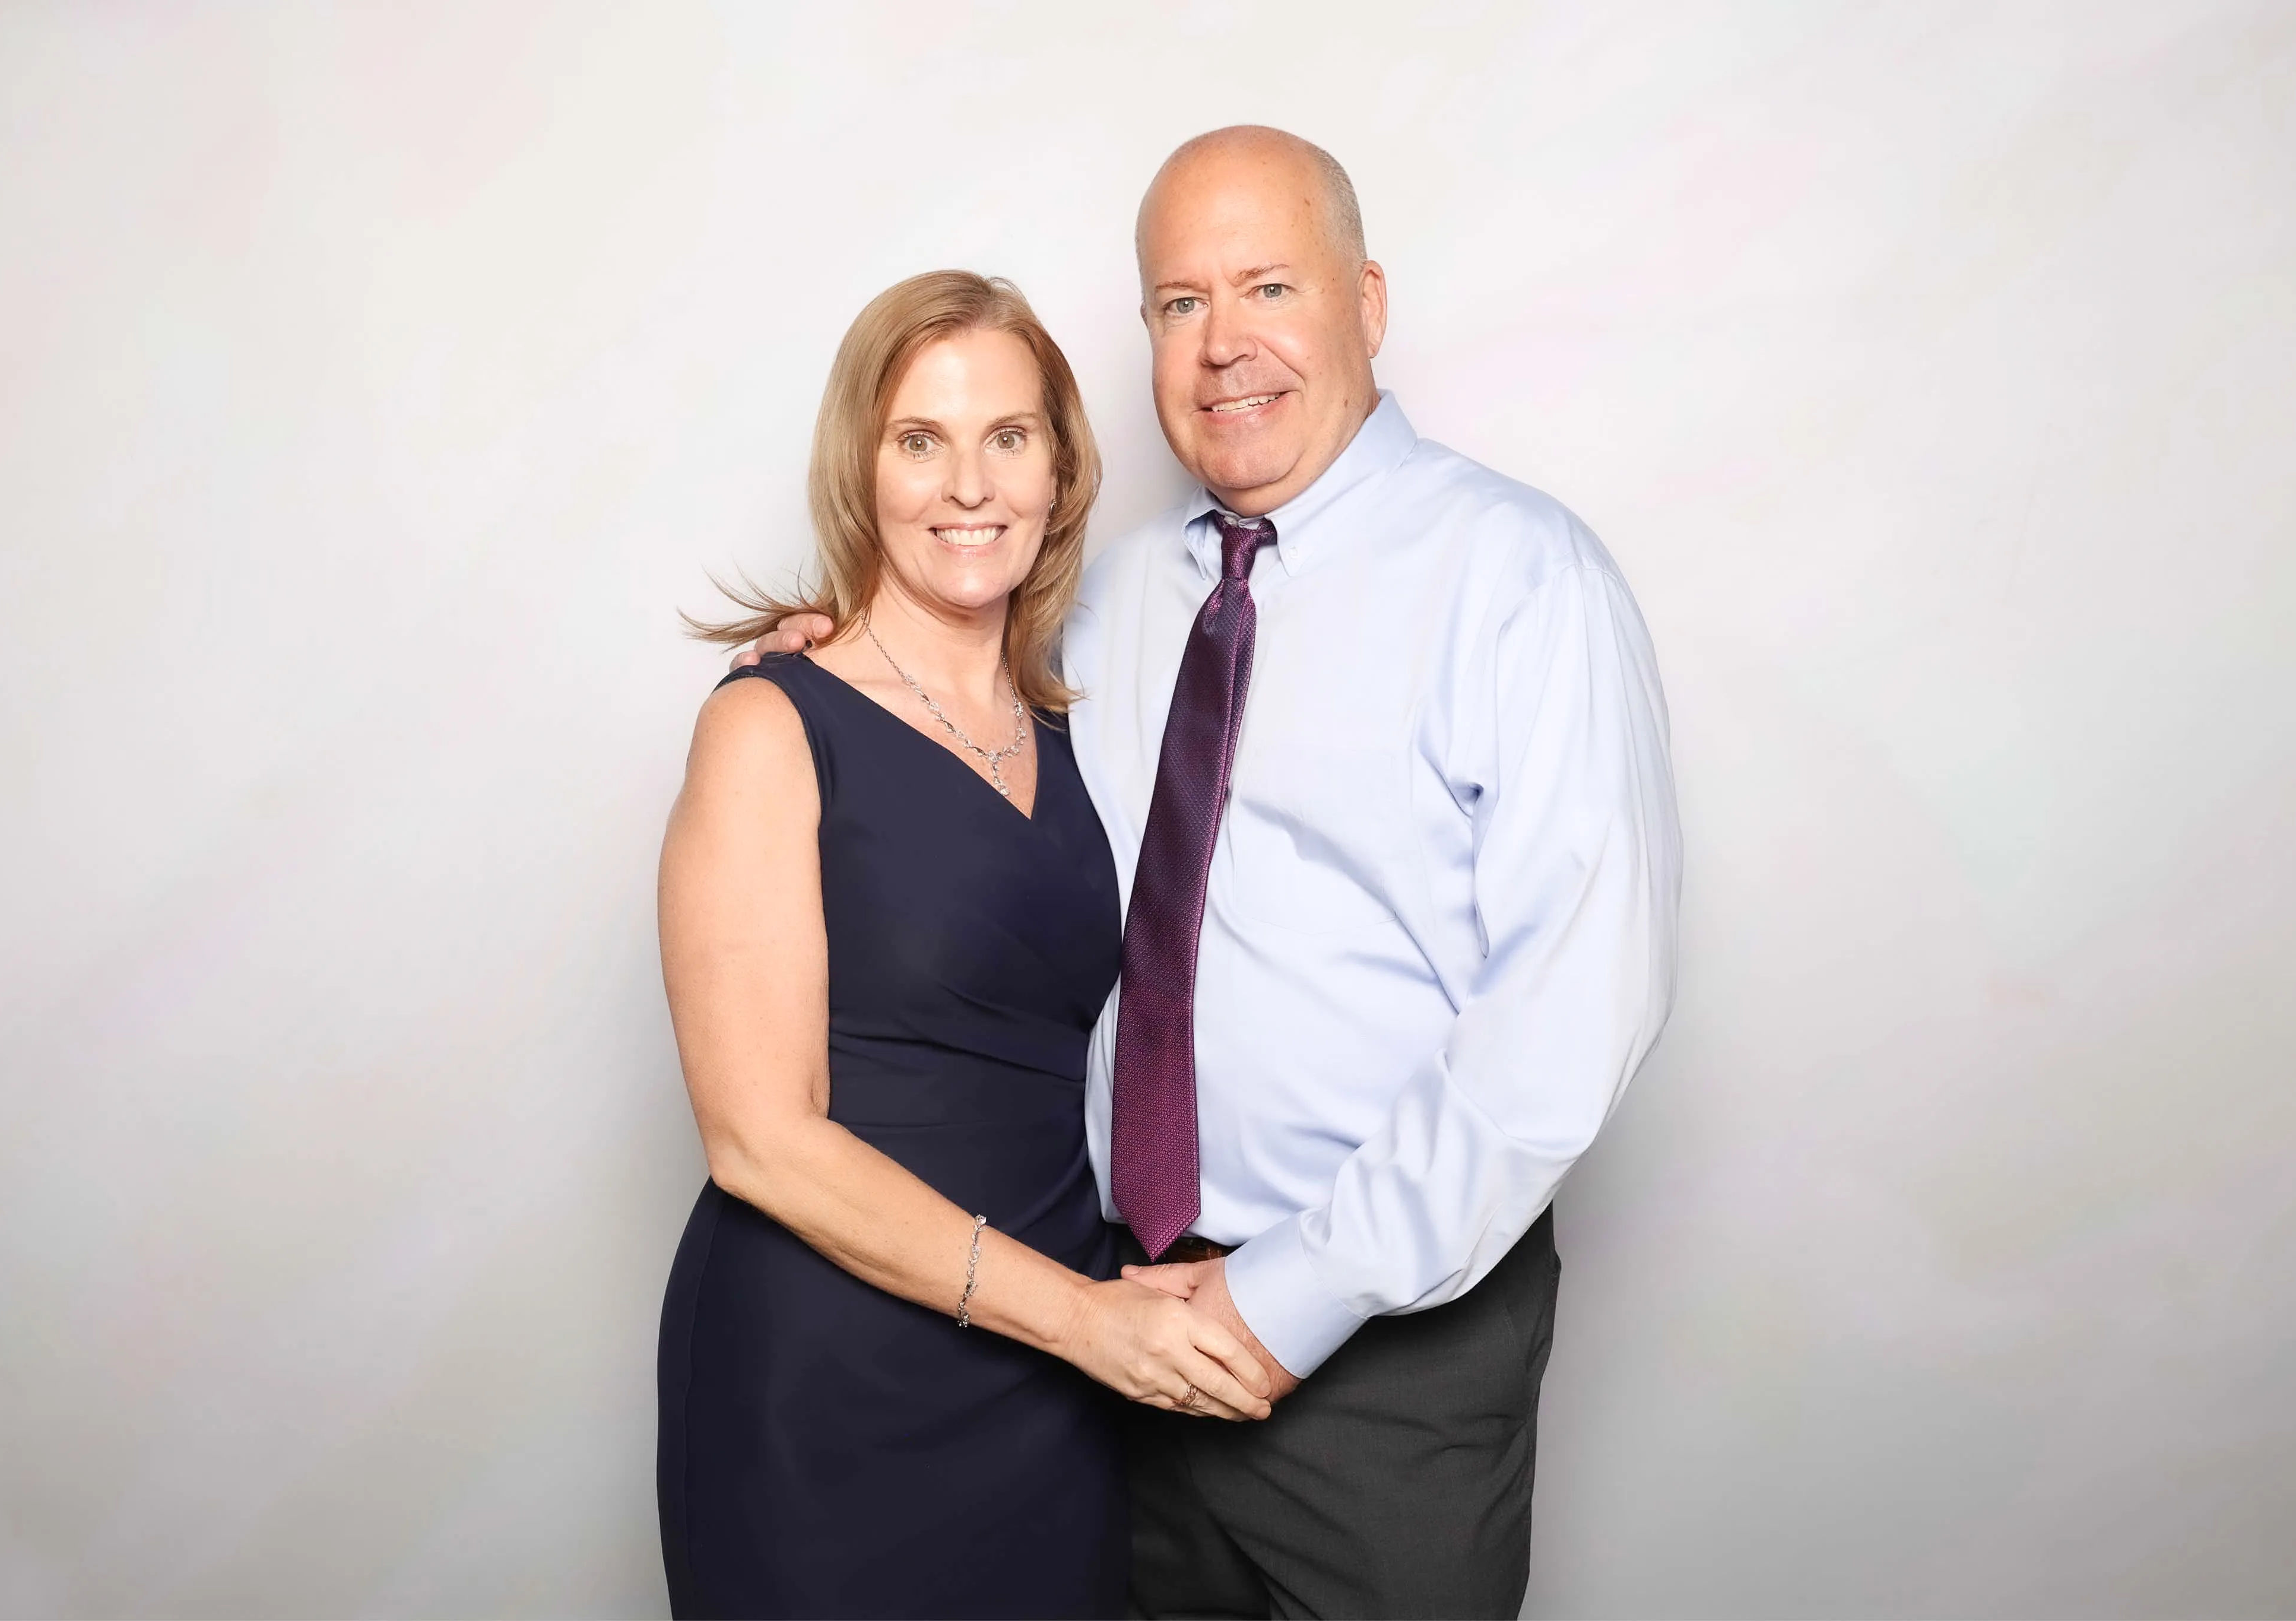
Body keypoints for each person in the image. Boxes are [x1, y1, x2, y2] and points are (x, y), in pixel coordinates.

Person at [742, 128, 1682, 1620]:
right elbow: (966, 796)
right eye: (1179, 304)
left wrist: (1288, 1292)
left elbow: (1572, 1008)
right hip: (1108, 1339)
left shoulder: (1519, 580)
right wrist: (831, 667)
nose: (1223, 344)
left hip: (1383, 1366)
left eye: (1265, 287)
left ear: (1364, 303)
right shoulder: (1116, 600)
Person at [654, 269, 1273, 1621]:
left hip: (1047, 1386)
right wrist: (1086, 1321)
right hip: (830, 1384)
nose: (966, 485)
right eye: (918, 441)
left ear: (1060, 462)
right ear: (859, 468)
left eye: (1006, 436)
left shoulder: (1079, 723)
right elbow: (758, 1138)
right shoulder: (772, 724)